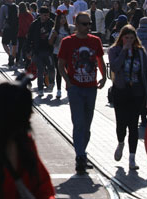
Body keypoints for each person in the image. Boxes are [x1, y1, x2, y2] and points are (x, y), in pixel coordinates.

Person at [57, 11, 107, 175]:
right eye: (84, 24)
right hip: (76, 89)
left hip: (91, 88)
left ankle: (82, 154)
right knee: (78, 123)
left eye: (89, 24)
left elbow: (100, 60)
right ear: (76, 25)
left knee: (87, 125)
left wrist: (104, 77)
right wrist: (68, 81)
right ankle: (80, 156)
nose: (88, 27)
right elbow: (61, 64)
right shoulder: (67, 42)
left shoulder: (95, 41)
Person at [108, 25, 147, 170]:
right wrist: (123, 51)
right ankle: (121, 143)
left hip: (136, 92)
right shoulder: (114, 50)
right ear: (121, 38)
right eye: (126, 38)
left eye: (132, 38)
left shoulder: (140, 52)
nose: (129, 41)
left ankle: (132, 158)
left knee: (133, 125)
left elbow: (146, 75)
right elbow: (114, 67)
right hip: (121, 91)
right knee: (121, 124)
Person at [27, 7, 54, 97]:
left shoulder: (51, 23)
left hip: (49, 50)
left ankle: (51, 82)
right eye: (43, 15)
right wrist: (28, 50)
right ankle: (40, 89)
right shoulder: (34, 24)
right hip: (38, 50)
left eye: (46, 15)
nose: (45, 17)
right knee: (40, 70)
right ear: (40, 14)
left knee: (51, 68)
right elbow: (29, 37)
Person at [49, 11, 74, 99]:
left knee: (69, 71)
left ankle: (69, 88)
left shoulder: (70, 28)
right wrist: (54, 36)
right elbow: (50, 43)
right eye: (61, 18)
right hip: (57, 53)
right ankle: (59, 89)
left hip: (68, 54)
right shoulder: (54, 29)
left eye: (64, 18)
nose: (63, 20)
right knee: (59, 71)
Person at [0, 0, 19, 67]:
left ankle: (10, 55)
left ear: (6, 0)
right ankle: (13, 57)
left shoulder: (4, 7)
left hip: (7, 27)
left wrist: (0, 29)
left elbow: (1, 19)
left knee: (4, 43)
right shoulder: (17, 7)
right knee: (14, 44)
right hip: (15, 28)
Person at [16, 2, 33, 68]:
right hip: (28, 34)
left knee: (19, 48)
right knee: (26, 48)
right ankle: (27, 61)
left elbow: (19, 25)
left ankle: (17, 61)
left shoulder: (19, 15)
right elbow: (31, 23)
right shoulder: (29, 15)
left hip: (20, 34)